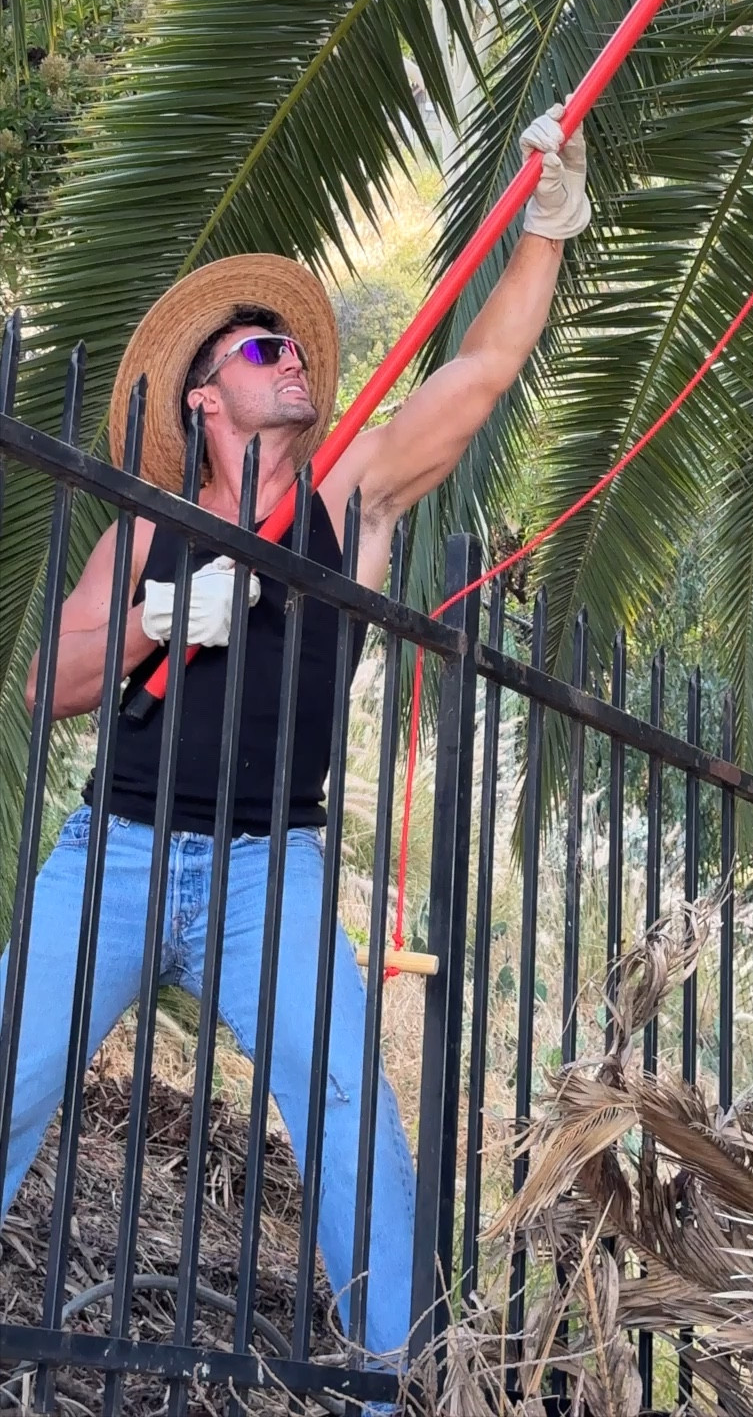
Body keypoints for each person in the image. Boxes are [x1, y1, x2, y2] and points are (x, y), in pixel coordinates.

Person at [2, 109, 589, 1357]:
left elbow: (477, 380)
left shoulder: (347, 496)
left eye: (297, 350)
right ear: (208, 397)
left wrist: (545, 227)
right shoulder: (145, 529)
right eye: (268, 348)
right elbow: (54, 678)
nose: (297, 361)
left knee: (347, 1118)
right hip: (115, 849)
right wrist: (166, 618)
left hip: (273, 863)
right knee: (11, 1076)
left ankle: (394, 1373)